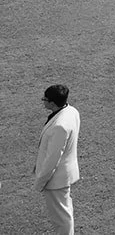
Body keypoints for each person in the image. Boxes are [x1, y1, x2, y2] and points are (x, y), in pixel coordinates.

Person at [35, 84, 80, 235]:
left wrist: (40, 181)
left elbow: (53, 158)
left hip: (56, 179)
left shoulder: (60, 126)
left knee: (61, 219)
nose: (43, 102)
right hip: (64, 173)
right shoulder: (71, 111)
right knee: (65, 212)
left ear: (52, 103)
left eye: (45, 99)